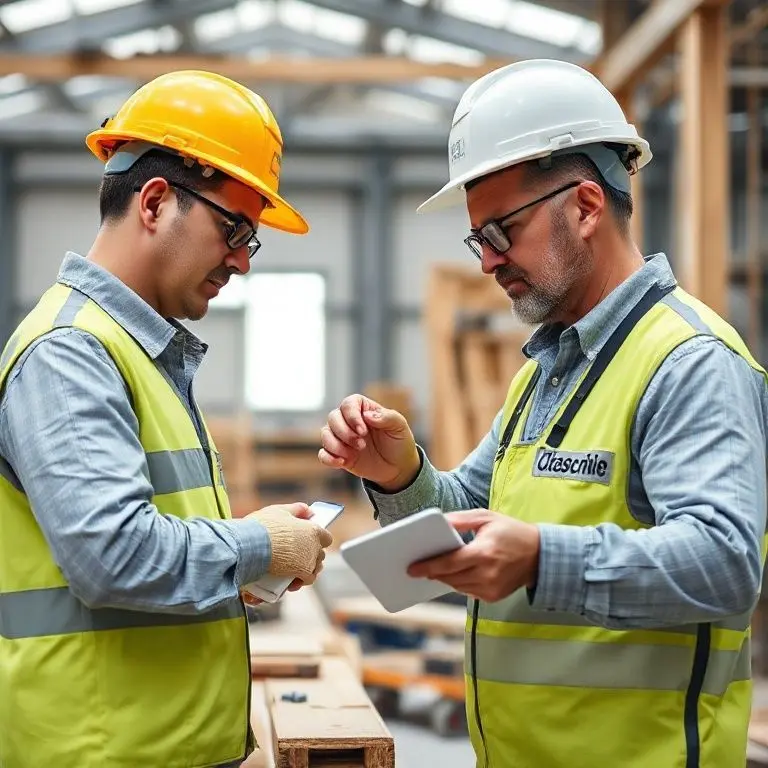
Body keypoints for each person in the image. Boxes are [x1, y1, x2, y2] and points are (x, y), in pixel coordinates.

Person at [320, 59, 768, 768]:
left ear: (586, 206)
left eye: (502, 231)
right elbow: (468, 508)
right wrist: (401, 473)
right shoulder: (547, 370)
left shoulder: (688, 363)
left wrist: (541, 559)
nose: (489, 262)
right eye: (479, 240)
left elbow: (723, 562)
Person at [0, 70, 333, 768]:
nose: (243, 260)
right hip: (101, 749)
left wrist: (236, 574)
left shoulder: (141, 354)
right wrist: (258, 544)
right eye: (233, 228)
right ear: (154, 202)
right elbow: (111, 557)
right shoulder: (73, 353)